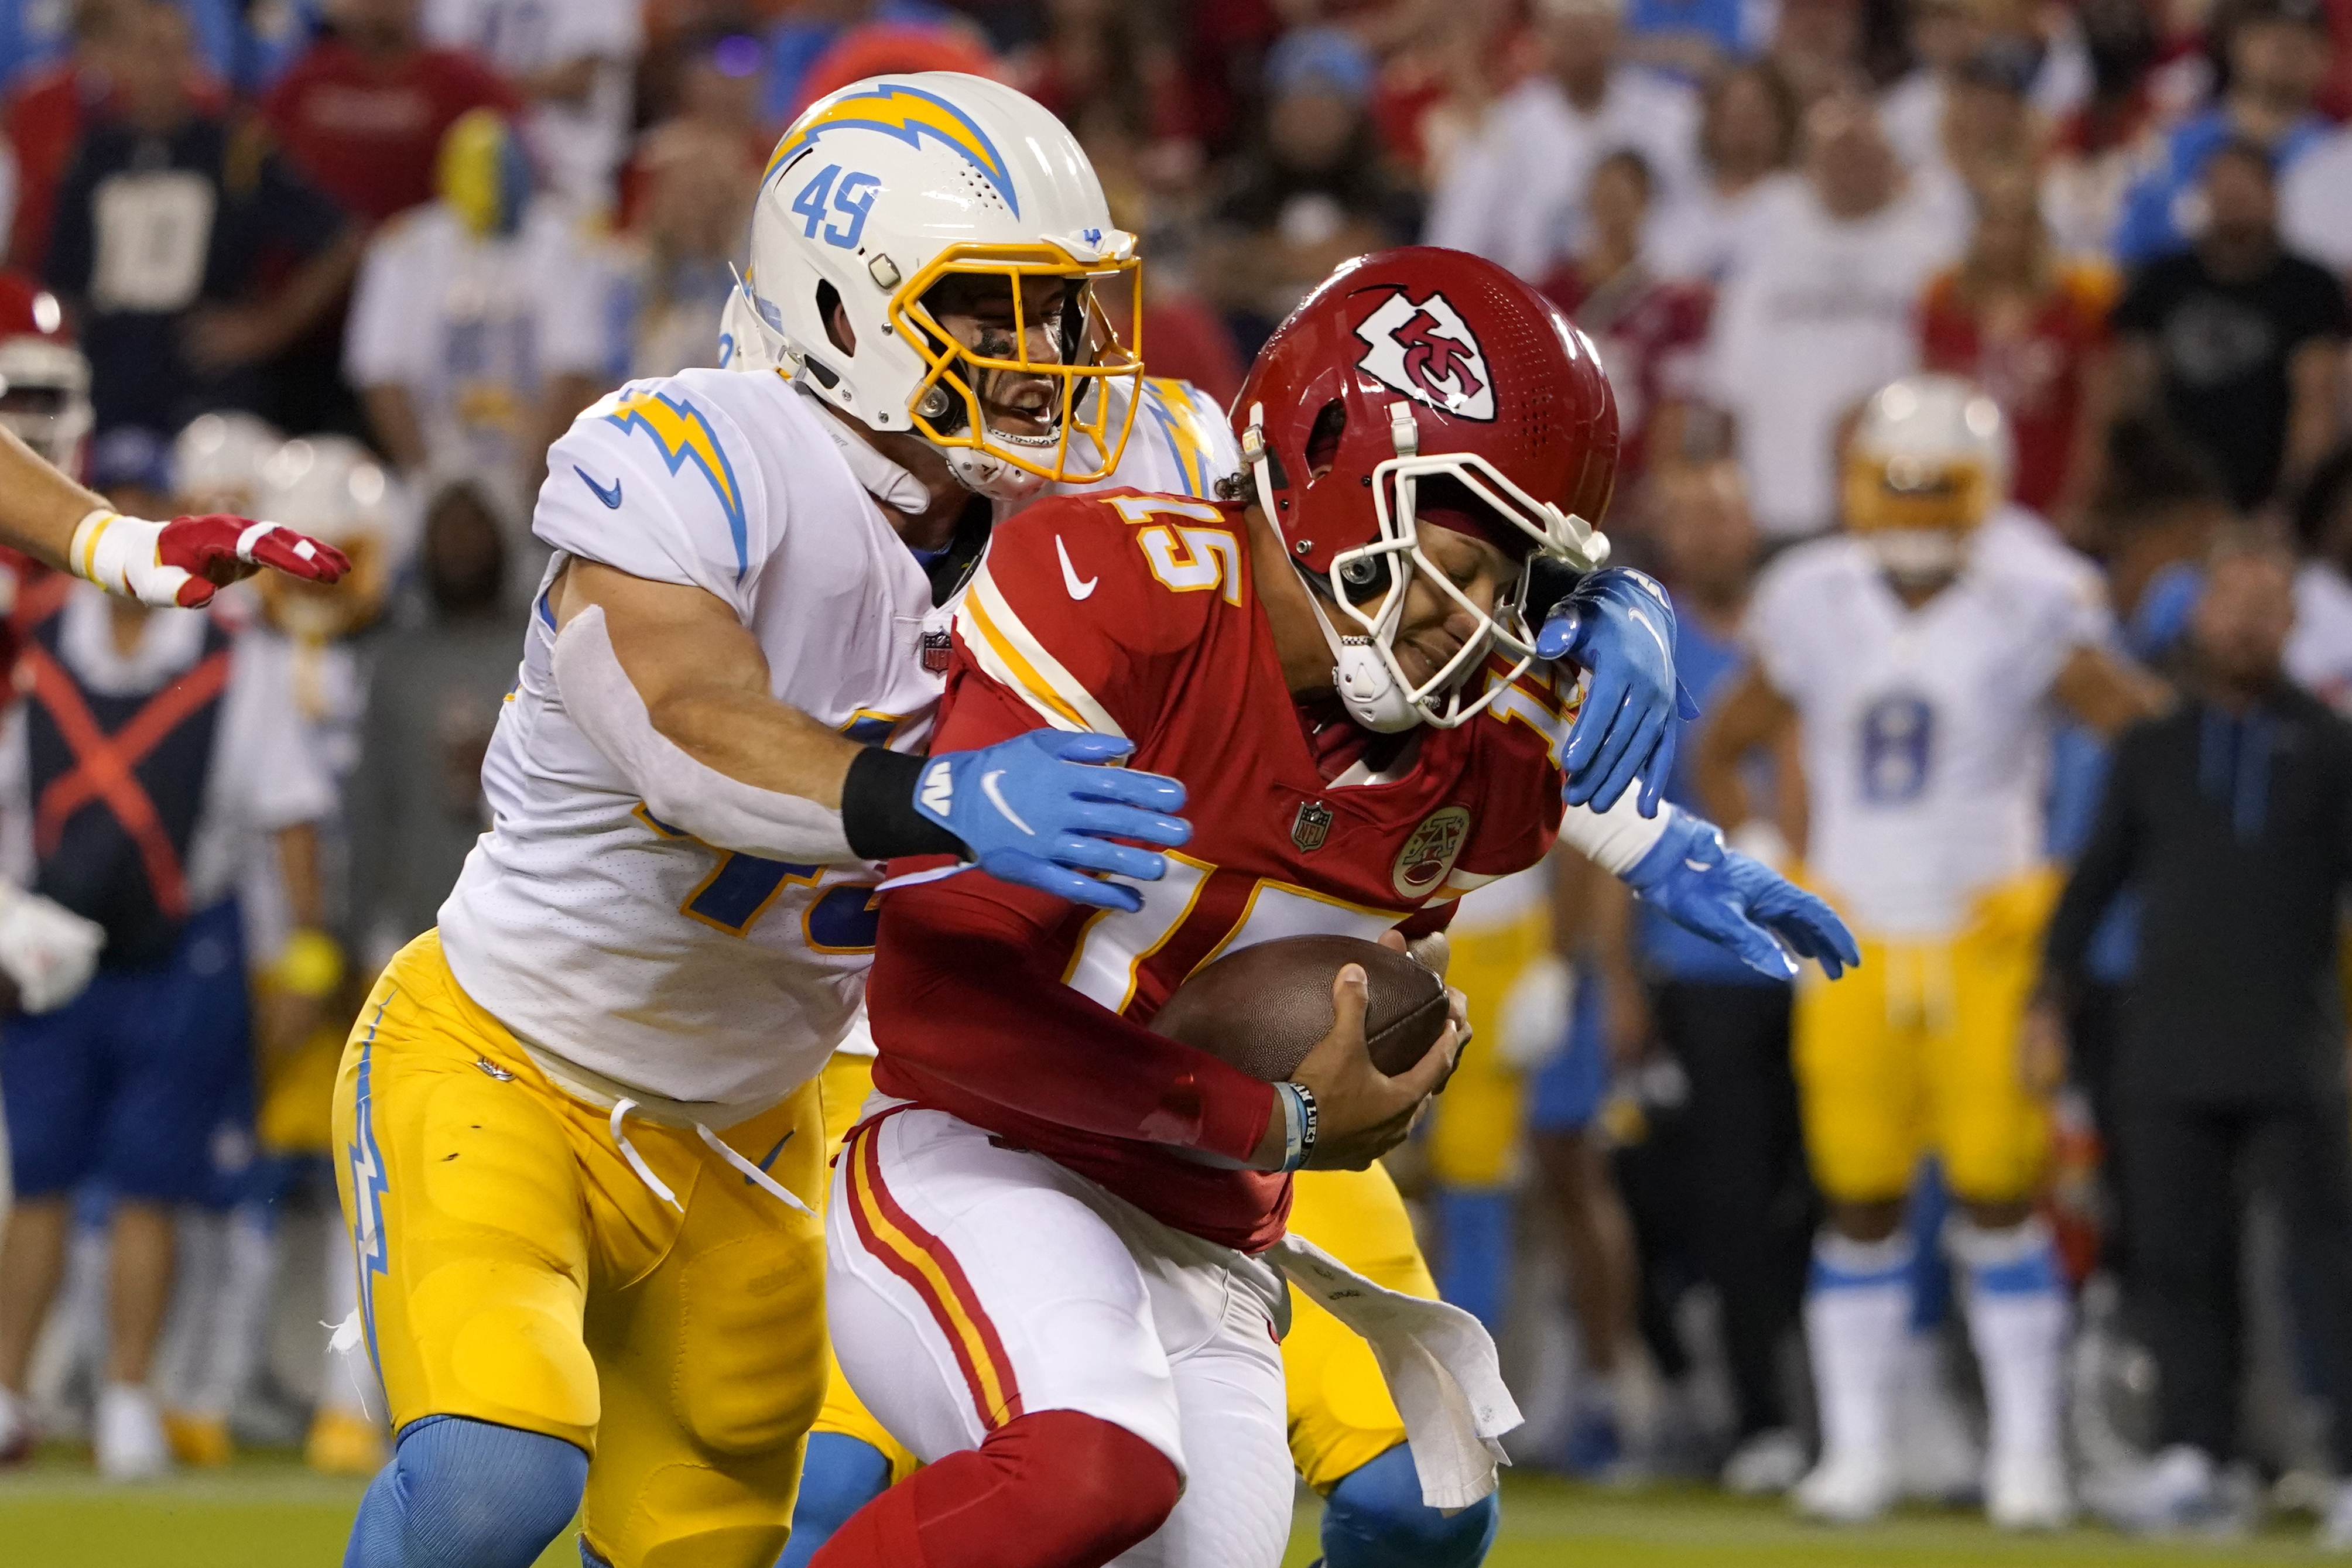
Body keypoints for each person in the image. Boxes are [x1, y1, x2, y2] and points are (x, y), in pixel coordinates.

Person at [323, 72, 1686, 1568]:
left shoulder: (1137, 468)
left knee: (706, 1540)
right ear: (840, 308)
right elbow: (683, 729)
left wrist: (1584, 594)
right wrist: (925, 794)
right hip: (513, 1049)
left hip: (769, 1110)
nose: (1046, 363)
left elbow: (1354, 487)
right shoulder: (699, 456)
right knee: (490, 1479)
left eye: (1066, 314)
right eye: (993, 313)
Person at [808, 245, 1856, 1568]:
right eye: (1463, 552)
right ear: (1322, 463)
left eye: (1524, 586)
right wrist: (1268, 1114)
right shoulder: (1119, 587)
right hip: (978, 1145)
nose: (1482, 626)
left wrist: (1644, 746)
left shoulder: (1479, 742)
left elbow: (1545, 753)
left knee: (1348, 1512)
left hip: (1201, 1224)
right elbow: (935, 1006)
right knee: (1074, 1471)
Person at [1693, 374, 2166, 1526]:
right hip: (1850, 935)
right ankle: (1858, 1453)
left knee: (2001, 1191)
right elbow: (1726, 745)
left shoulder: (2032, 594)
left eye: (1932, 482)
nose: (1909, 503)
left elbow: (2150, 747)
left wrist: (2064, 878)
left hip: (1981, 943)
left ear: (1983, 488)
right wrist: (1769, 854)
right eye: (1893, 479)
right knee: (1856, 1192)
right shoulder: (1810, 595)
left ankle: (2024, 1458)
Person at [0, 425, 336, 1478]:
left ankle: (130, 1397)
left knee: (150, 1181)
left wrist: (302, 954)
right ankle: (11, 1392)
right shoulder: (38, 643)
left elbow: (285, 811)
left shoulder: (239, 654)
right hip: (50, 940)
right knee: (41, 1176)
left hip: (180, 939)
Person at [2045, 533, 2352, 1547]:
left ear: (2292, 623)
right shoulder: (2151, 744)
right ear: (2199, 614)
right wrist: (2044, 1006)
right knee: (2177, 1258)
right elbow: (2090, 888)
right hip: (2164, 1043)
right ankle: (2198, 1456)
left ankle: (2345, 1463)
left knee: (2324, 1263)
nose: (2246, 622)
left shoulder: (2332, 745)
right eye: (2232, 601)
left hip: (2294, 1044)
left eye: (2268, 604)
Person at [1621, 459, 1815, 1495]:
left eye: (1720, 512)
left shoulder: (1813, 628)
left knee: (1840, 1189)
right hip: (1703, 965)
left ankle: (1858, 1404)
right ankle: (1760, 1414)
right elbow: (1613, 818)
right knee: (1732, 1199)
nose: (1703, 533)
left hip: (1836, 957)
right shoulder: (1650, 647)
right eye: (1683, 513)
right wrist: (1612, 977)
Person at [40, 0, 360, 437]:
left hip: (209, 393)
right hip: (108, 391)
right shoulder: (91, 156)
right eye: (143, 50)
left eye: (171, 51)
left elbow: (341, 239)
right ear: (115, 60)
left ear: (193, 59)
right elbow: (61, 282)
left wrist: (266, 328)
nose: (157, 67)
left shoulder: (235, 151)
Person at [1703, 94, 1957, 540]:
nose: (1850, 169)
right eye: (1836, 156)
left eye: (1863, 155)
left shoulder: (1933, 260)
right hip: (1772, 505)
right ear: (1807, 167)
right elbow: (1726, 395)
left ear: (1890, 161)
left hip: (1894, 507)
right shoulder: (1765, 257)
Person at [343, 108, 611, 530]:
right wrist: (430, 485)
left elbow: (575, 371)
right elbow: (381, 375)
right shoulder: (404, 246)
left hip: (538, 474)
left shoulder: (564, 244)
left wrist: (525, 492)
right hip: (431, 460)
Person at [2111, 138, 2350, 516]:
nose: (2232, 200)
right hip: (2173, 493)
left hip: (2267, 490)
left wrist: (2292, 503)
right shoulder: (2161, 281)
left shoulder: (2309, 286)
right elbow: (2133, 393)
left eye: (2244, 190)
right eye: (2222, 189)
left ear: (2273, 196)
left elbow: (2315, 398)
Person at [1425, 0, 1700, 281]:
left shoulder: (1672, 116)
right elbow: (1456, 239)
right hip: (1530, 303)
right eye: (1568, 29)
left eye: (1590, 28)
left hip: (1644, 298)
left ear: (1617, 31)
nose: (1579, 42)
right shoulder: (1503, 126)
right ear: (1543, 36)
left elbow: (1695, 219)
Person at [1197, 26, 1425, 357]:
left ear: (1356, 116)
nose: (1312, 119)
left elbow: (1396, 270)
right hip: (1249, 367)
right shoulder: (1237, 192)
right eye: (1298, 103)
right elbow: (1212, 276)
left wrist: (1260, 266)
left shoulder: (1394, 193)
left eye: (1327, 104)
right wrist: (1325, 261)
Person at [1918, 164, 2114, 527]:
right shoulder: (1944, 303)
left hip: (2048, 491)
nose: (2004, 239)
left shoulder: (2075, 305)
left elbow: (2095, 416)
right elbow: (1930, 408)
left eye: (2016, 225)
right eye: (1994, 224)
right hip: (1962, 495)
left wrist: (2078, 500)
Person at [262, 0, 523, 231]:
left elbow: (515, 167)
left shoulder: (463, 82)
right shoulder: (305, 80)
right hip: (318, 255)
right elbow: (257, 160)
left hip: (428, 262)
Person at [1540, 149, 1714, 494]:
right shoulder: (1547, 293)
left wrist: (1661, 478)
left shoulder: (1673, 302)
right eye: (1604, 195)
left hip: (1633, 474)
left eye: (1623, 197)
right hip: (1562, 469)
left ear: (1646, 203)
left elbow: (1673, 399)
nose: (1612, 209)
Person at [2112, 0, 2333, 268]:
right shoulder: (2172, 145)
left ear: (2326, 57)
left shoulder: (2336, 156)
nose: (2286, 47)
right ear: (2236, 43)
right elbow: (2130, 253)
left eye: (2304, 40)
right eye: (2271, 33)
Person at [422, 0, 643, 212]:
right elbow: (436, 68)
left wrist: (480, 92)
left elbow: (580, 75)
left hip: (567, 184)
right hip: (465, 181)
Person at [1649, 59, 1801, 284]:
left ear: (1781, 122)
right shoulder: (1678, 204)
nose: (1743, 127)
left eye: (1755, 115)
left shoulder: (1799, 201)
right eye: (1733, 114)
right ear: (1712, 122)